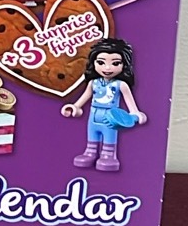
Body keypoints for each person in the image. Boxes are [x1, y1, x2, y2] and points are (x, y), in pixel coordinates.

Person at [62, 37, 145, 172]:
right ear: (93, 63)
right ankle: (90, 153)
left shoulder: (120, 85)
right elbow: (84, 97)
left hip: (110, 117)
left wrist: (135, 115)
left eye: (115, 63)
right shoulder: (93, 83)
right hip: (93, 115)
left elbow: (131, 105)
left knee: (109, 137)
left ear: (124, 65)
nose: (107, 68)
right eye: (101, 62)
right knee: (92, 135)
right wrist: (75, 107)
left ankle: (109, 155)